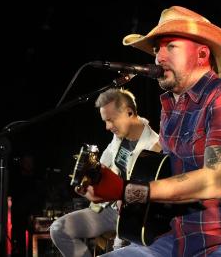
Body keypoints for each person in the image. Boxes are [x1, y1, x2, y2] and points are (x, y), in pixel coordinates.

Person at [80, 5, 221, 257]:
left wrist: (127, 190)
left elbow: (214, 180)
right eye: (156, 50)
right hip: (179, 240)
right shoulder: (169, 110)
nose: (159, 57)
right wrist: (110, 185)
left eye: (170, 46)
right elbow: (165, 175)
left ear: (202, 54)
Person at [50, 88, 160, 257]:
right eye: (105, 121)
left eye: (111, 120)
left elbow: (151, 196)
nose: (108, 127)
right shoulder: (119, 136)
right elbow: (103, 166)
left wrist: (119, 195)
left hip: (134, 218)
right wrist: (87, 182)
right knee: (58, 229)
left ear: (129, 112)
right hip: (108, 209)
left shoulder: (155, 146)